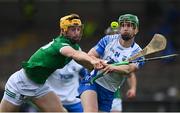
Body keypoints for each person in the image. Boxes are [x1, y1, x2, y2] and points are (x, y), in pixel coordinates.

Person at [0, 13, 106, 112]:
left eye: (79, 29)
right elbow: (74, 54)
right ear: (64, 30)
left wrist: (99, 66)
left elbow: (84, 61)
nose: (77, 33)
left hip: (39, 86)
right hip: (20, 84)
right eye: (73, 30)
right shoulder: (60, 45)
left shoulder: (75, 46)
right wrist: (93, 60)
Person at [78, 14, 144, 112]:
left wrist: (112, 67)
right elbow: (90, 55)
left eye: (129, 25)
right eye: (123, 25)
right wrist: (100, 62)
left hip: (109, 92)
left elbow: (129, 69)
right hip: (93, 82)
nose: (125, 28)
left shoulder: (138, 53)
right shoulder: (108, 39)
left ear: (136, 30)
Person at [105, 21, 137, 112]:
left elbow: (130, 73)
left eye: (116, 34)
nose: (114, 37)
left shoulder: (127, 53)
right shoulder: (102, 48)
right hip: (99, 91)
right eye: (111, 34)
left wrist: (133, 89)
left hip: (114, 94)